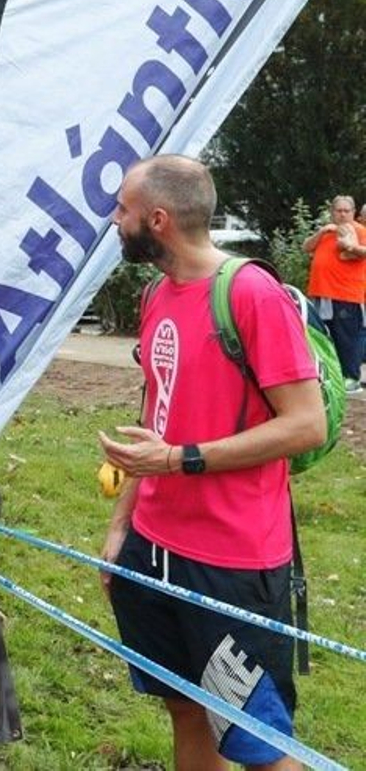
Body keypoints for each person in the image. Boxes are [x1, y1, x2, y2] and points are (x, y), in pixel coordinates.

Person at [99, 155, 326, 771]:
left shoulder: (252, 293)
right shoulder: (154, 294)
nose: (115, 220)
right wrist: (124, 525)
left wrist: (179, 460)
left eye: (123, 209)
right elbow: (158, 409)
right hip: (154, 547)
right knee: (185, 707)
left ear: (159, 219)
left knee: (259, 745)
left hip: (231, 561)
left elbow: (308, 423)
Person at [301, 194, 366, 391]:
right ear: (332, 212)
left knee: (348, 336)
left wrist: (351, 246)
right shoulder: (328, 232)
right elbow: (306, 247)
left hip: (346, 293)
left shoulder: (359, 230)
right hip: (322, 293)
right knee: (328, 337)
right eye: (339, 210)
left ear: (353, 213)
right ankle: (336, 376)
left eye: (347, 210)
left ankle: (352, 377)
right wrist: (321, 232)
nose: (343, 214)